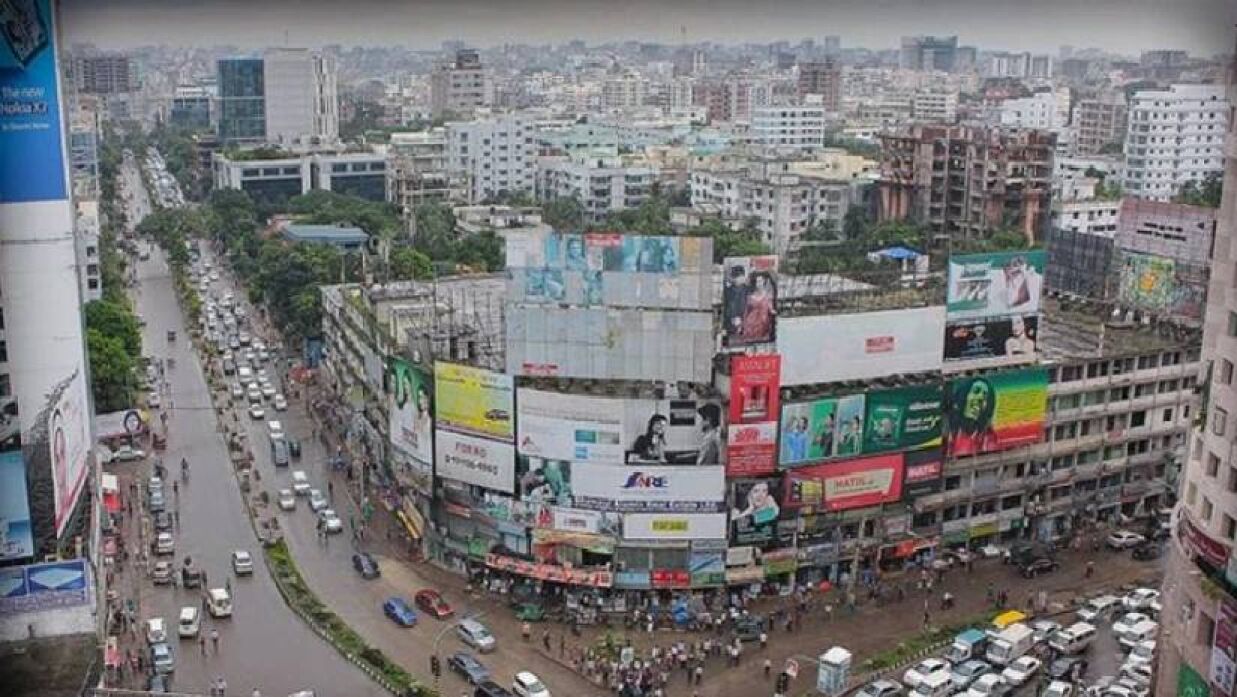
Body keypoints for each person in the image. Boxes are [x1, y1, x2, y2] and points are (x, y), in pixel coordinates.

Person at [947, 377, 1000, 456]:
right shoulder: (947, 429)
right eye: (976, 391)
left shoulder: (988, 437)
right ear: (963, 396)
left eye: (985, 396)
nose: (980, 398)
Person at [738, 271, 776, 343]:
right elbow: (746, 311)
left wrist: (773, 312)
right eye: (757, 281)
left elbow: (770, 307)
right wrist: (741, 325)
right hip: (751, 324)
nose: (759, 283)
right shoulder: (750, 295)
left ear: (763, 282)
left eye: (760, 281)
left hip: (763, 324)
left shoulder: (768, 295)